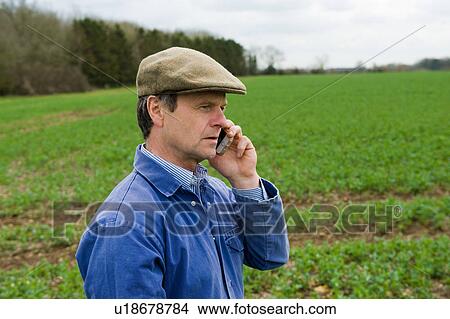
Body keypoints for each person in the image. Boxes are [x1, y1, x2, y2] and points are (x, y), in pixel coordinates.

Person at [76, 47, 289, 298]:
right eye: (205, 107)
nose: (221, 121)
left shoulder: (217, 192)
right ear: (157, 110)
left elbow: (269, 256)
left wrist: (245, 179)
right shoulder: (122, 225)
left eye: (222, 108)